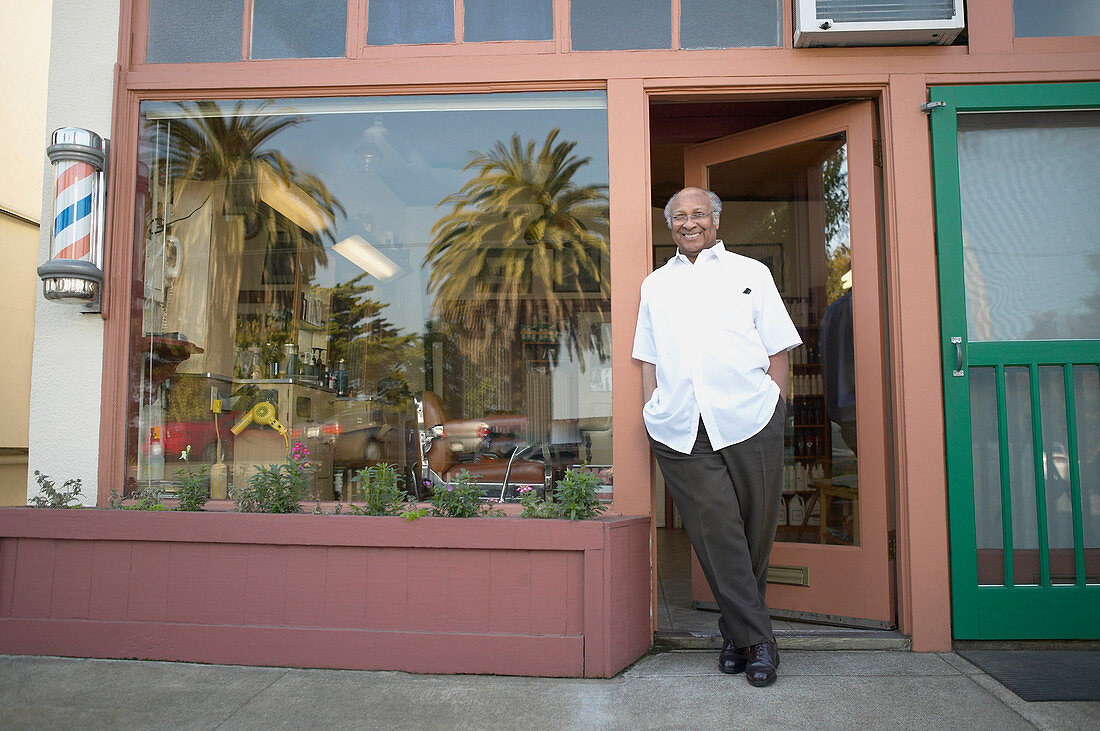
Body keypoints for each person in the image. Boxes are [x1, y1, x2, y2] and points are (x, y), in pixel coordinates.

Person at [633, 187, 801, 687]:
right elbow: (649, 358)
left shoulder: (752, 274)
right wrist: (652, 410)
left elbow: (779, 350)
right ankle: (762, 641)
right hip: (682, 429)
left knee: (754, 534)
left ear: (716, 220)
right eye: (679, 216)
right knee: (718, 534)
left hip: (751, 420)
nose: (690, 223)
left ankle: (736, 635)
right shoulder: (654, 286)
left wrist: (776, 408)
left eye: (699, 214)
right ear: (670, 226)